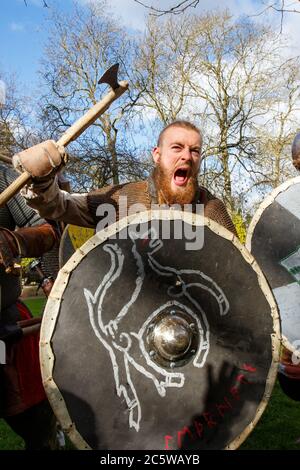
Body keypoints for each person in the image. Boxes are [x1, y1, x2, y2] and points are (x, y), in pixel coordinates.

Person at [13, 121, 237, 236]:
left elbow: (239, 275)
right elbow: (60, 206)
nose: (187, 156)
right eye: (177, 147)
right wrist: (41, 183)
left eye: (195, 150)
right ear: (157, 155)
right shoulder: (121, 200)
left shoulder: (211, 209)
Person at [0, 162, 60, 449]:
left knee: (38, 431)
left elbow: (48, 229)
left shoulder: (3, 177)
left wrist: (13, 240)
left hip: (5, 332)